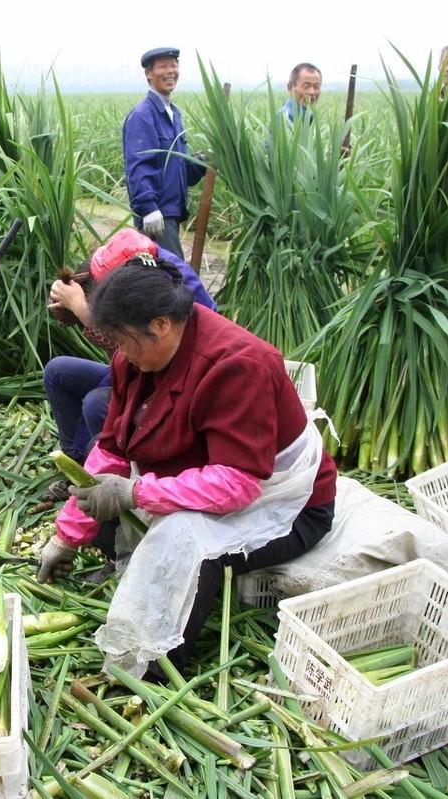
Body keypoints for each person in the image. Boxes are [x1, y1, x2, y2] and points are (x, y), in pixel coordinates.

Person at [36, 263, 337, 673]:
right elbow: (113, 449)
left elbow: (237, 484)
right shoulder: (137, 359)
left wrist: (136, 493)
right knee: (102, 479)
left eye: (125, 342)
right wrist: (67, 536)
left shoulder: (238, 365)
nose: (120, 354)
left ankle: (156, 666)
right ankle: (120, 566)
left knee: (187, 539)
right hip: (202, 475)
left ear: (161, 324)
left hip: (288, 504)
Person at [44, 230, 215, 472]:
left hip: (162, 382)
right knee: (58, 371)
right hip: (139, 366)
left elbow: (139, 350)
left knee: (96, 403)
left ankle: (115, 473)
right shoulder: (134, 256)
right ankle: (75, 464)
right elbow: (128, 350)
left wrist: (82, 310)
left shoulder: (163, 296)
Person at [123, 47, 207, 260]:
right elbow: (139, 165)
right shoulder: (143, 115)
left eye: (174, 65)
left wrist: (202, 161)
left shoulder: (173, 113)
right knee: (175, 280)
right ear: (149, 74)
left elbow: (178, 170)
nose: (171, 71)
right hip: (157, 215)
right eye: (163, 66)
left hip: (171, 212)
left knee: (166, 280)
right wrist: (148, 208)